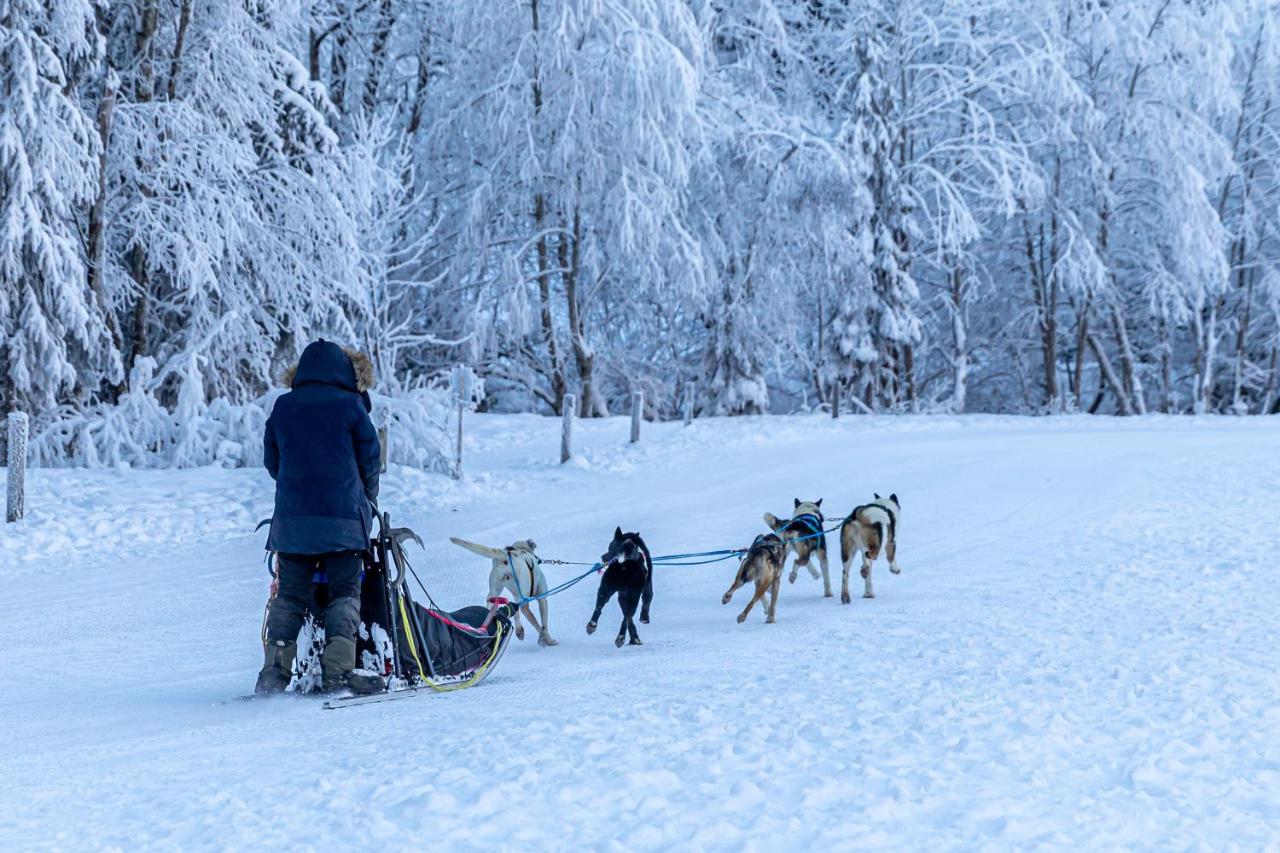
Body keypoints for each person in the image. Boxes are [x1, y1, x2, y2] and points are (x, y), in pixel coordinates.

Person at [254, 339, 383, 696]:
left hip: (292, 525)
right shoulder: (351, 406)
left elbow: (272, 462)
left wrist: (297, 488)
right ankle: (338, 671)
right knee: (344, 592)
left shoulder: (283, 406)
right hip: (342, 523)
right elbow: (370, 460)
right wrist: (365, 499)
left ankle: (273, 676)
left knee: (290, 596)